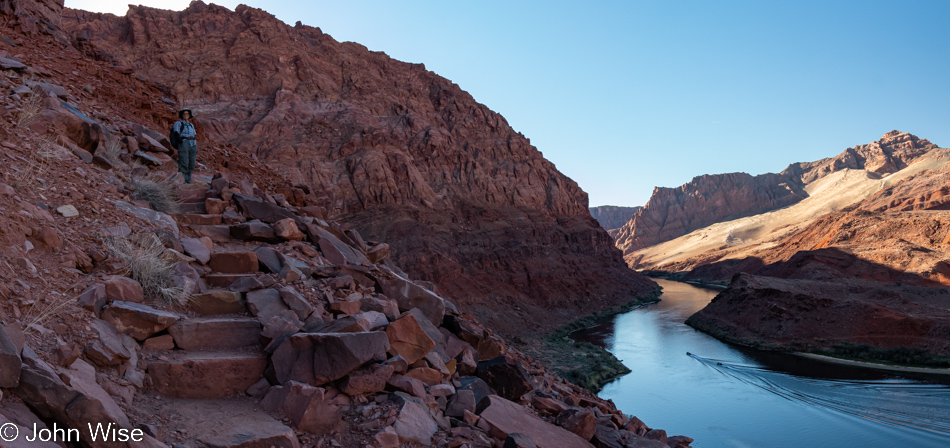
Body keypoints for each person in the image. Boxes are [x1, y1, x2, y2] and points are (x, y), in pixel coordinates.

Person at [171, 108, 197, 183]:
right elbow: (176, 133)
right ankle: (182, 181)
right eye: (184, 114)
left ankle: (188, 180)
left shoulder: (191, 125)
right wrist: (181, 141)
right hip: (184, 143)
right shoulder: (178, 123)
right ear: (182, 115)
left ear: (189, 115)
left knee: (192, 163)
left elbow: (194, 134)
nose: (186, 115)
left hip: (193, 144)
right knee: (184, 162)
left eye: (187, 114)